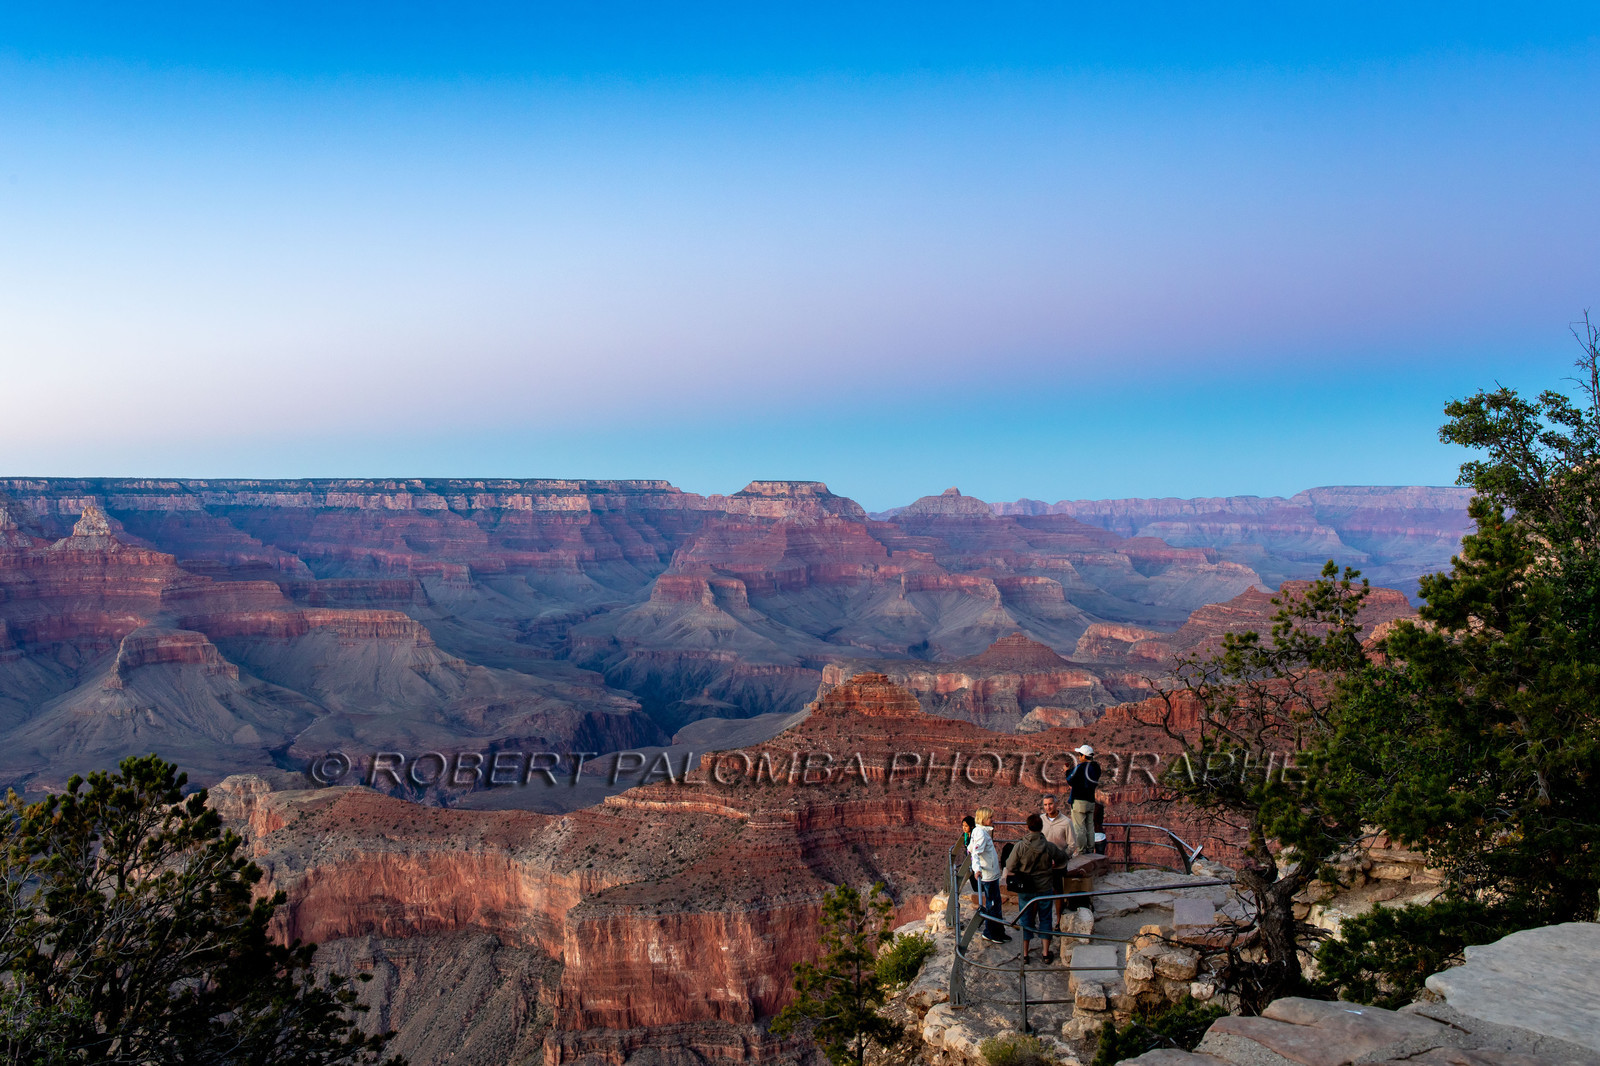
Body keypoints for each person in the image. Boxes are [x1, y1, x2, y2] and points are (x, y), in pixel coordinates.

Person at [1003, 812, 1069, 962]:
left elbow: (1009, 865)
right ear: (1041, 827)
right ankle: (1046, 953)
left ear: (1028, 827)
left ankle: (1025, 954)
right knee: (1045, 917)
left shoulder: (1020, 846)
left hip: (1025, 887)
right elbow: (1062, 858)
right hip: (1044, 887)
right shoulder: (1048, 846)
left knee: (1025, 918)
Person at [967, 807, 1009, 943]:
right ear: (984, 819)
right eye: (990, 817)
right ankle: (991, 933)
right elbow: (975, 853)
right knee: (992, 905)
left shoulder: (979, 831)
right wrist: (977, 869)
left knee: (995, 904)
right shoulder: (980, 833)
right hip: (988, 876)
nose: (993, 820)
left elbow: (970, 848)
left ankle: (998, 931)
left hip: (991, 874)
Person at [1039, 793, 1073, 929]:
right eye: (1046, 805)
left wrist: (1062, 857)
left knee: (1058, 893)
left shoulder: (1066, 822)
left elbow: (1072, 844)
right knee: (1042, 894)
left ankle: (1059, 921)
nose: (1048, 807)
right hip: (1043, 864)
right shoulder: (1040, 820)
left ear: (1056, 804)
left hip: (1059, 865)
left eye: (1050, 804)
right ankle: (1043, 922)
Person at [1066, 744, 1102, 855]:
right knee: (1090, 826)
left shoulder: (1081, 767)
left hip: (1079, 801)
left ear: (1083, 756)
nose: (1079, 757)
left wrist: (1067, 771)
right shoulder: (1096, 768)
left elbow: (1070, 779)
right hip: (1090, 801)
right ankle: (1090, 850)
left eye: (1080, 755)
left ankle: (1081, 851)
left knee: (1079, 828)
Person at [960, 815, 980, 897]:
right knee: (973, 883)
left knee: (977, 883)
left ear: (971, 826)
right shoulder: (966, 836)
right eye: (963, 826)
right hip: (969, 861)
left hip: (974, 860)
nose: (964, 828)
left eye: (966, 826)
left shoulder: (974, 836)